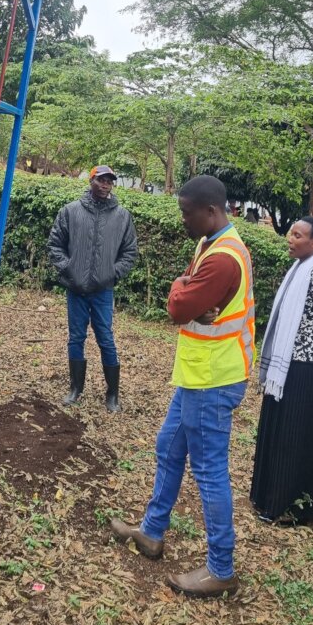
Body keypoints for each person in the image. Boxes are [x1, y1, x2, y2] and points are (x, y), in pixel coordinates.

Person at [110, 175, 254, 598]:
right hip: (196, 375)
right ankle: (152, 532)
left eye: (186, 212)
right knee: (168, 447)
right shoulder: (209, 243)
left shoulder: (224, 257)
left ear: (211, 211)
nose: (182, 220)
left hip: (213, 378)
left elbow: (178, 307)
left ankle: (221, 568)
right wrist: (184, 290)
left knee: (209, 472)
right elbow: (185, 292)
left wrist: (182, 294)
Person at [250, 216, 313, 526]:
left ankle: (288, 508)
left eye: (297, 235)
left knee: (294, 437)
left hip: (306, 369)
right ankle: (267, 497)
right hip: (286, 366)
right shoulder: (299, 269)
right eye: (291, 233)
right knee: (277, 430)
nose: (290, 239)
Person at [47, 164, 138, 413]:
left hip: (103, 290)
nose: (105, 184)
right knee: (76, 338)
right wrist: (69, 269)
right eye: (101, 179)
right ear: (91, 181)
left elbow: (130, 252)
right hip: (75, 288)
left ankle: (113, 393)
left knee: (106, 339)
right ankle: (76, 388)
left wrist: (112, 273)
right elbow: (55, 244)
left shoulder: (122, 216)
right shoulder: (70, 211)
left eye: (109, 181)